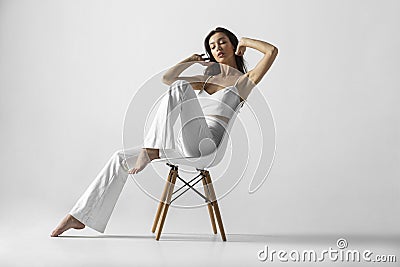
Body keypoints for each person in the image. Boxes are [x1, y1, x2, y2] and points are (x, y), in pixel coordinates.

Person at [50, 27, 278, 237]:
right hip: (185, 142)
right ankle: (79, 216)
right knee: (119, 158)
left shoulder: (244, 81)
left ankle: (150, 150)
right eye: (212, 46)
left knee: (180, 88)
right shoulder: (206, 80)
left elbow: (271, 51)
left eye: (223, 42)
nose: (217, 48)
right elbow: (167, 79)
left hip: (208, 147)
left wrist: (246, 42)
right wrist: (189, 60)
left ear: (233, 45)